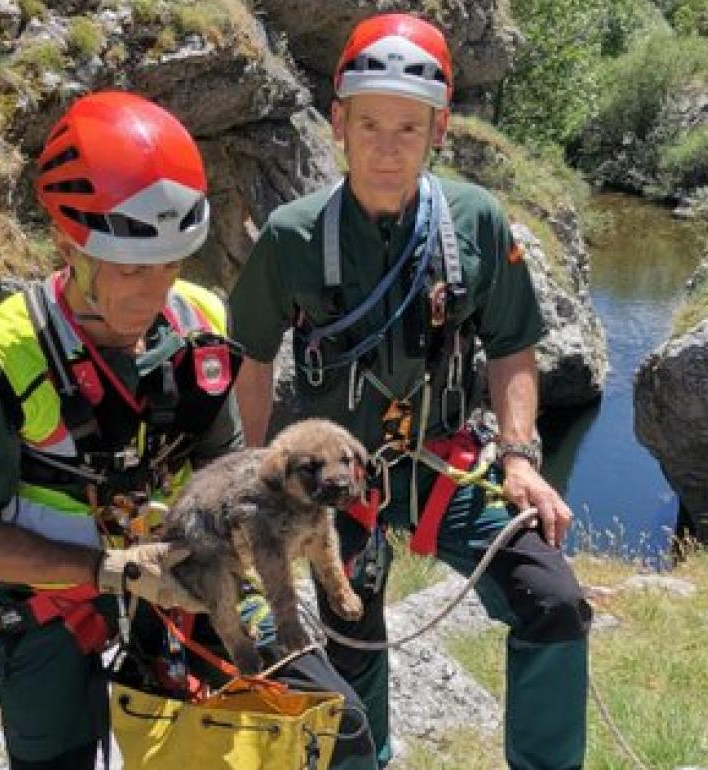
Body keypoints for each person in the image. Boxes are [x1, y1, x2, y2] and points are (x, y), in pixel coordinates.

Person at [0, 91, 376, 770]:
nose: (153, 292)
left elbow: (229, 468)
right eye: (132, 268)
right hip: (62, 601)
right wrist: (103, 569)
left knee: (339, 730)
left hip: (197, 569)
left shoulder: (198, 324)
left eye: (170, 264)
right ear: (67, 242)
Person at [227, 14, 593, 770]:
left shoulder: (474, 223)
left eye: (407, 127)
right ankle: (365, 760)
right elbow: (252, 359)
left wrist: (521, 456)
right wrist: (248, 476)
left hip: (444, 463)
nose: (387, 147)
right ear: (339, 124)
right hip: (337, 481)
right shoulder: (292, 238)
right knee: (351, 633)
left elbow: (512, 343)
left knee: (552, 601)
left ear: (439, 128)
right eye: (370, 125)